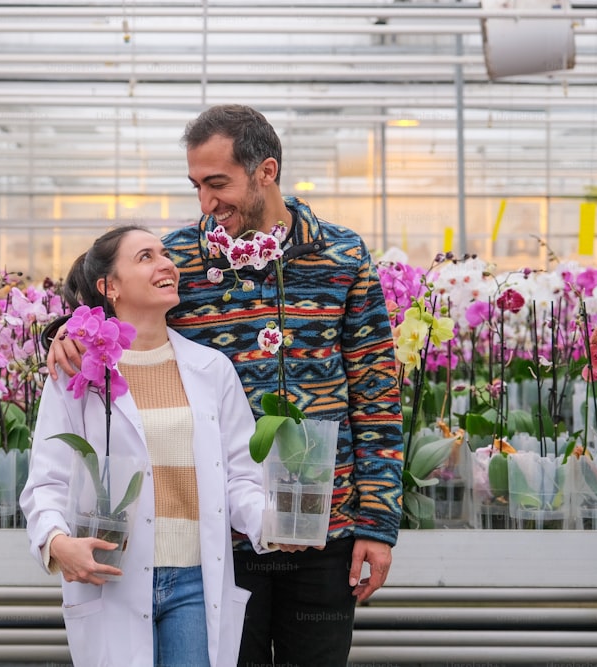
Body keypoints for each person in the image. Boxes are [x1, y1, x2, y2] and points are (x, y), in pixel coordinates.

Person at [47, 105, 404, 666]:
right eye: (196, 186)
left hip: (322, 525)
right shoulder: (182, 258)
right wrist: (67, 333)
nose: (207, 203)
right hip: (219, 540)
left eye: (218, 184)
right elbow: (110, 303)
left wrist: (378, 524)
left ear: (266, 171)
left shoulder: (342, 255)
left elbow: (378, 395)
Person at [21, 225, 273, 667]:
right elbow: (47, 480)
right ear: (109, 287)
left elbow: (241, 476)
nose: (166, 264)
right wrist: (56, 543)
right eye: (145, 257)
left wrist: (271, 525)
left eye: (165, 254)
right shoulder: (77, 369)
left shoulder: (212, 369)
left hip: (195, 580)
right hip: (111, 575)